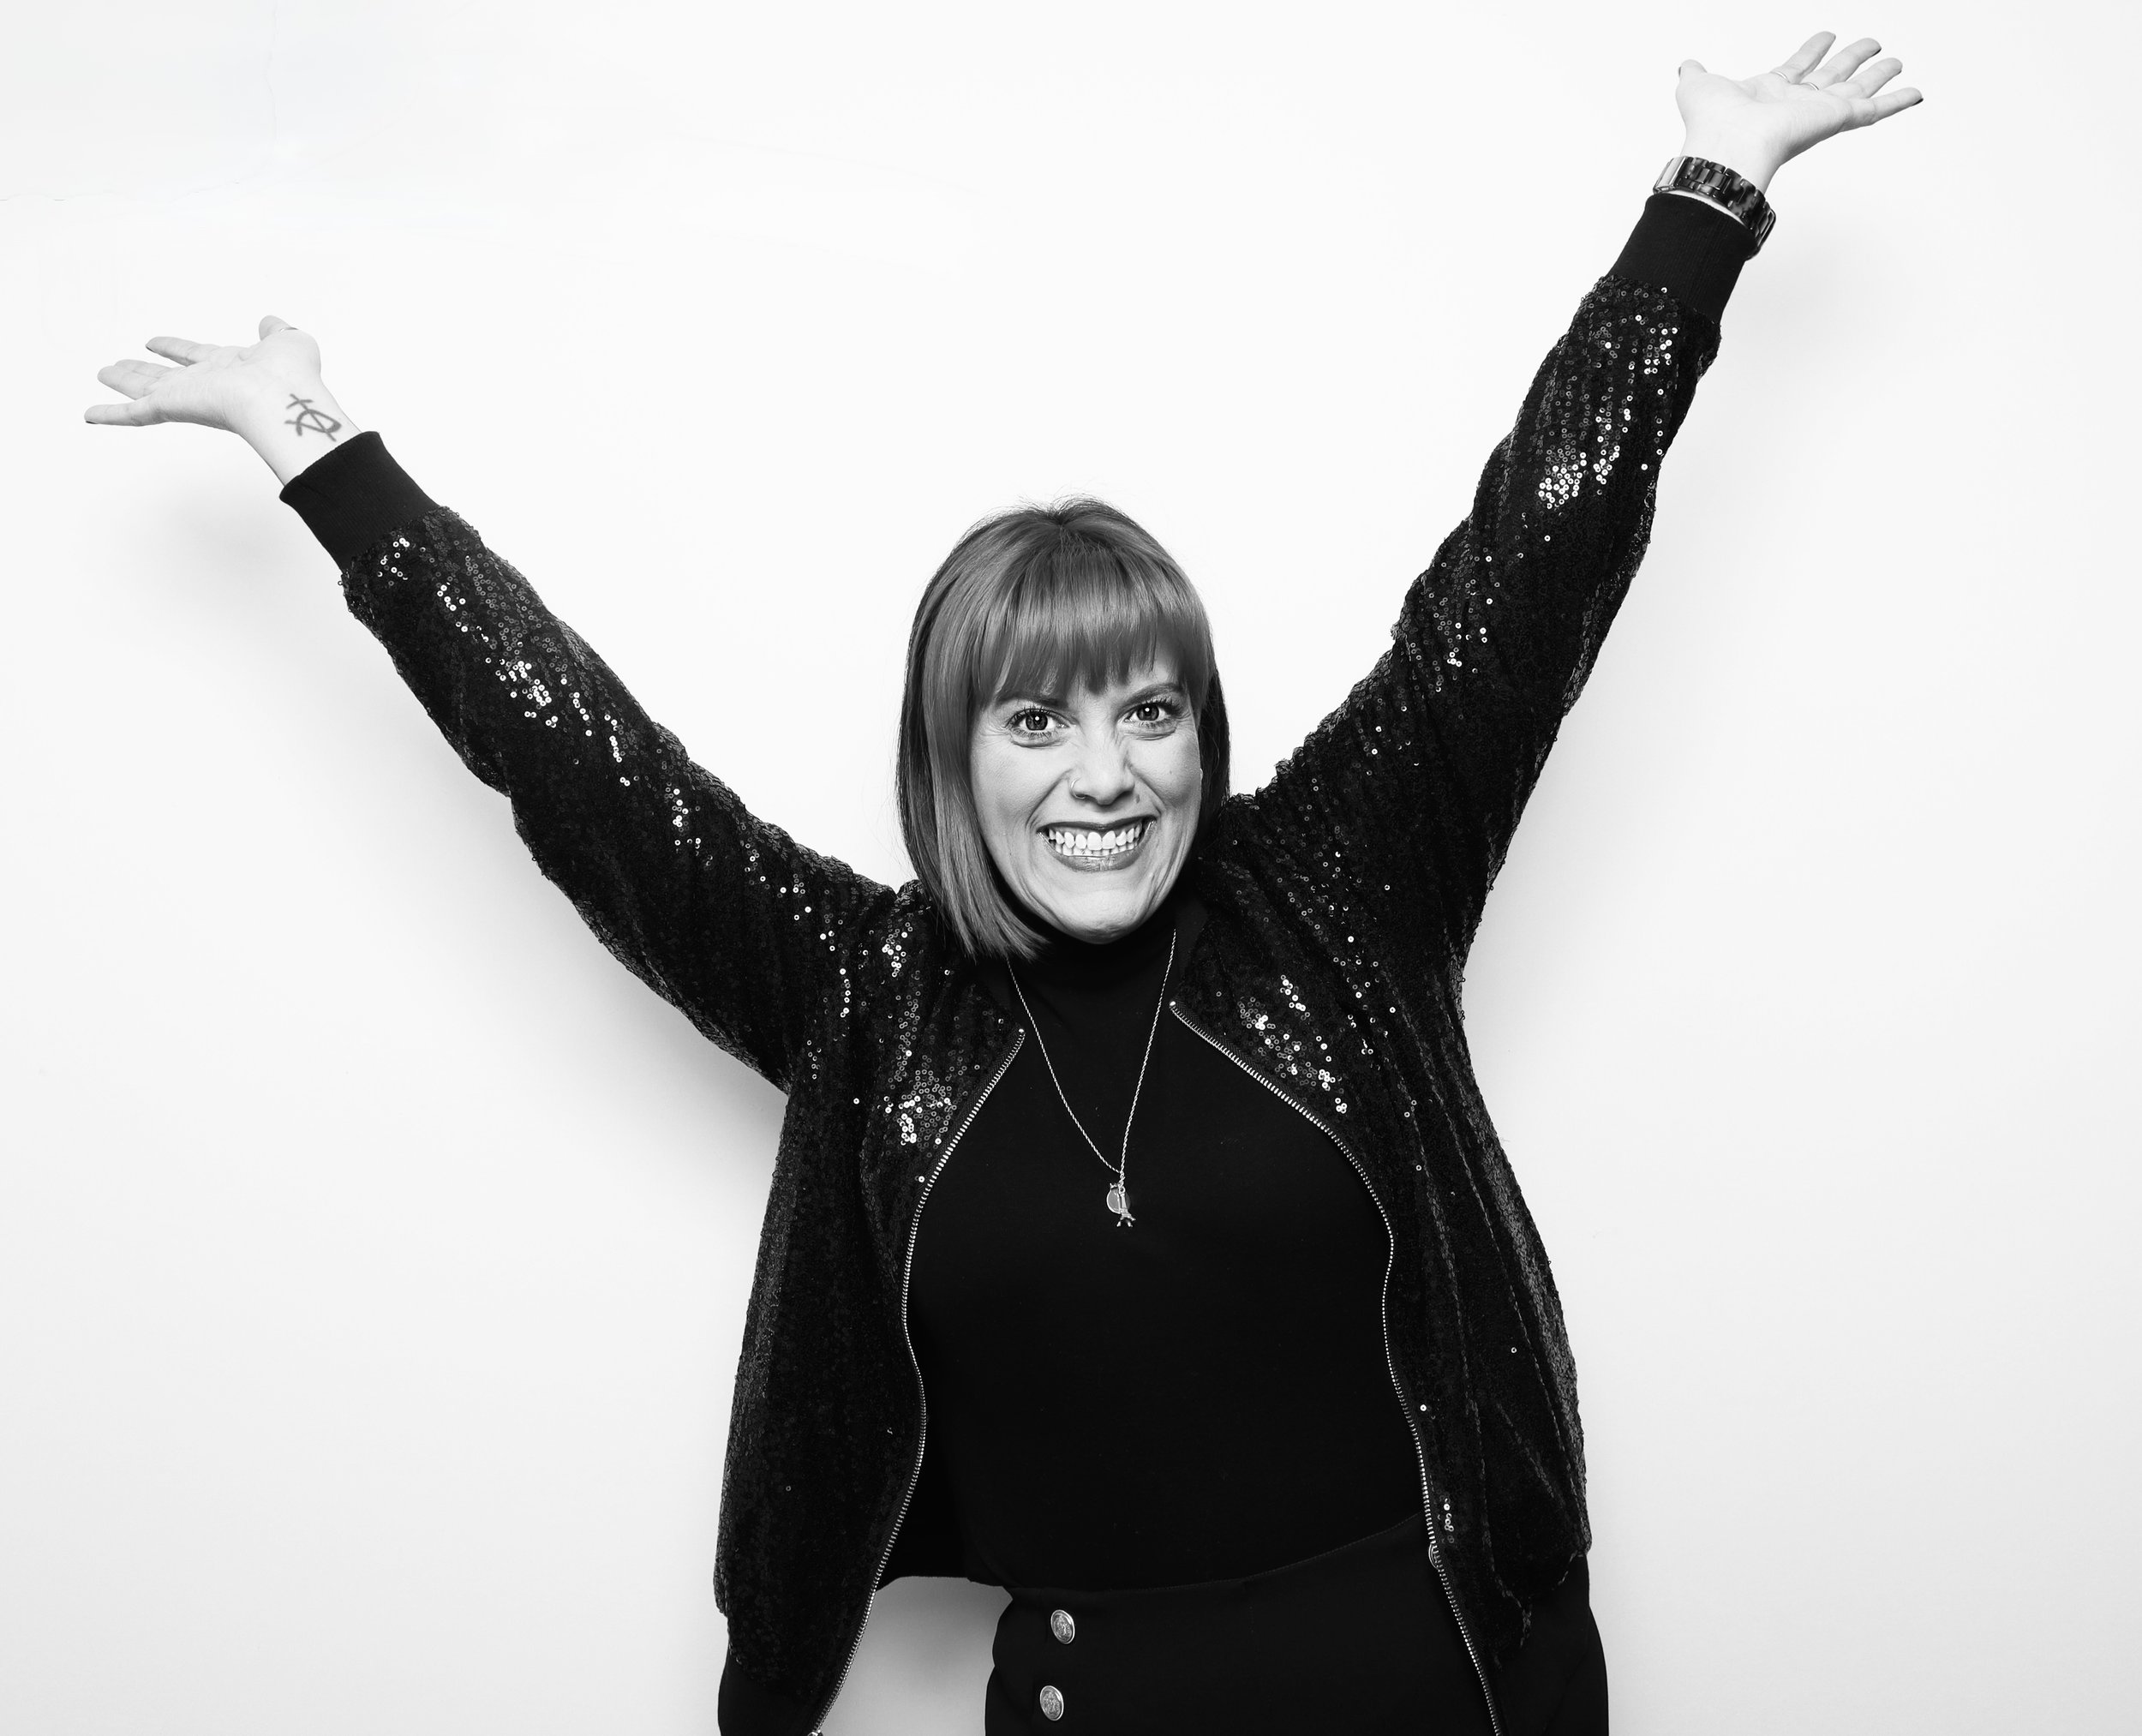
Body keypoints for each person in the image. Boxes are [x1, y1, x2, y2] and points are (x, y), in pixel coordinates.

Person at [85, 30, 1921, 1736]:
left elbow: (1537, 551)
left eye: (1149, 710)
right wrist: (326, 459)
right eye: (1034, 719)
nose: (1103, 772)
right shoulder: (860, 989)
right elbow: (586, 768)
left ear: (1202, 730)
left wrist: (1711, 191)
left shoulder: (1348, 880)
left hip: (1454, 1668)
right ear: (952, 759)